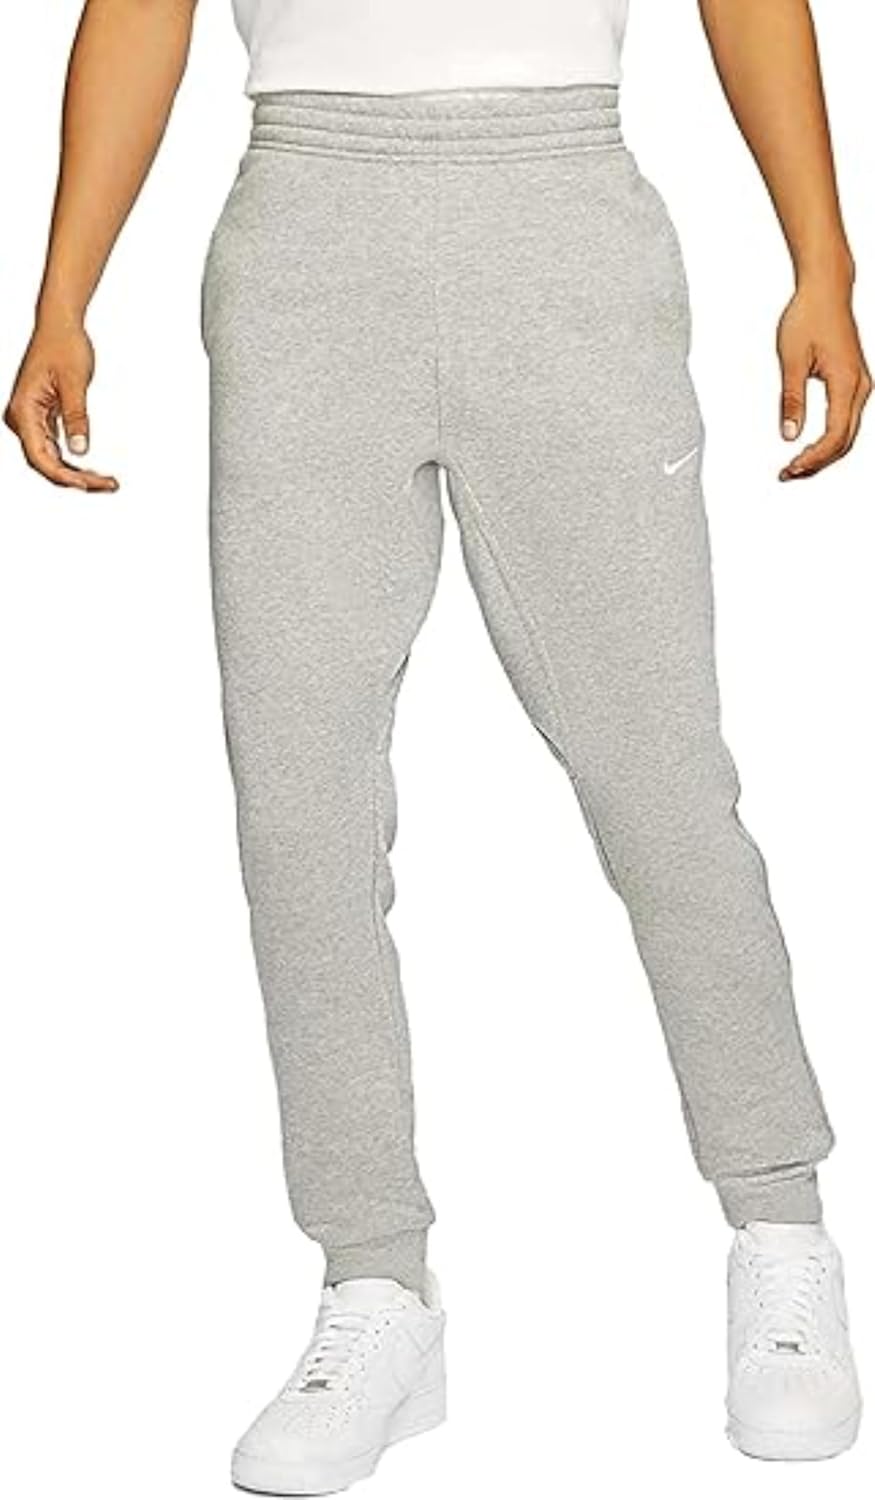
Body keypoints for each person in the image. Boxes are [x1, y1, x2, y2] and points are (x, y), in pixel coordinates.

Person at [5, 0, 870, 1488]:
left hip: (566, 230)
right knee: (302, 807)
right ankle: (376, 1283)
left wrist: (824, 261)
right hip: (302, 246)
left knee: (660, 783)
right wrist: (62, 295)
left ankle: (782, 1231)